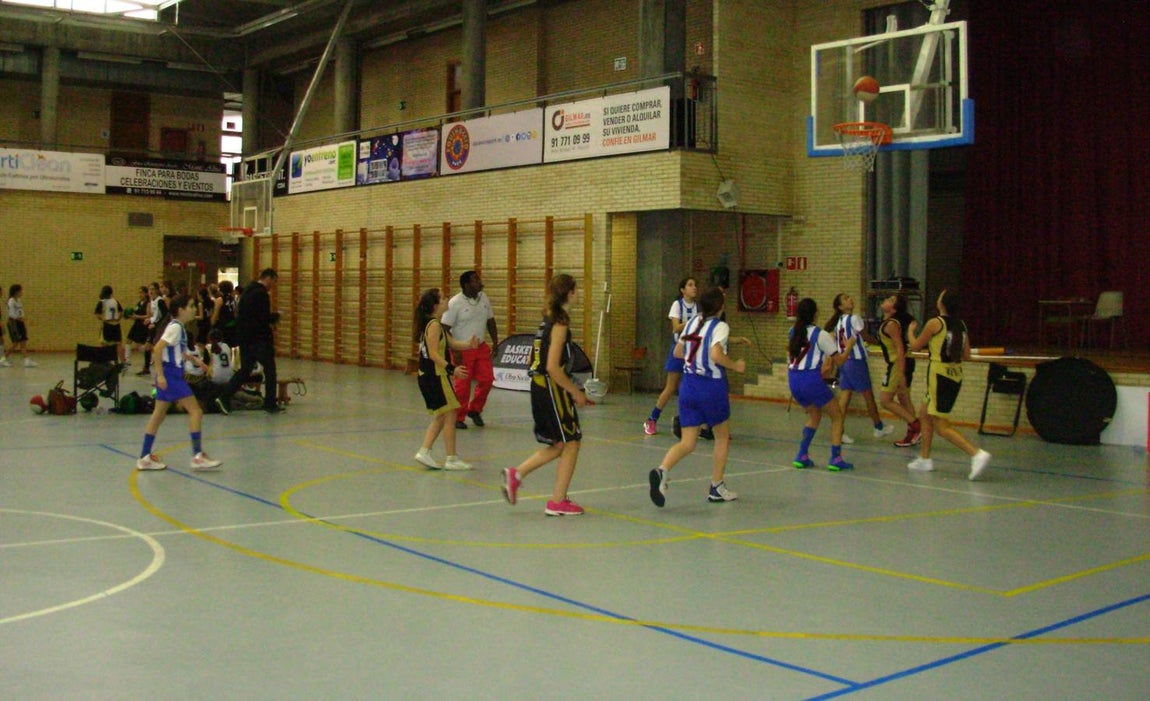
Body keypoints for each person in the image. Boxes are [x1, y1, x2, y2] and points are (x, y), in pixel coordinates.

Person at [648, 286, 745, 507]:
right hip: (711, 386)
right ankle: (716, 486)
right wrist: (735, 365)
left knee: (688, 441)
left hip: (688, 386)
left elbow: (678, 352)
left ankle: (662, 471)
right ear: (720, 306)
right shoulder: (720, 326)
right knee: (721, 436)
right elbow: (716, 354)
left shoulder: (692, 323)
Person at [500, 274, 588, 516]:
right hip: (551, 386)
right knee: (572, 442)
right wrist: (574, 391)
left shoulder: (547, 320)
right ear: (570, 293)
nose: (578, 293)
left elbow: (537, 360)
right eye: (576, 289)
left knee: (559, 443)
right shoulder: (560, 324)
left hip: (540, 387)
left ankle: (516, 474)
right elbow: (551, 366)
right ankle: (557, 501)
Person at [905, 289, 992, 480]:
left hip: (940, 375)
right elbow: (967, 355)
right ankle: (924, 459)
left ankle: (976, 454)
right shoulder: (961, 325)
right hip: (955, 374)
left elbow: (916, 346)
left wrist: (910, 332)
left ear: (942, 302)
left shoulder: (935, 323)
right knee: (924, 413)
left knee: (940, 424)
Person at [134, 294, 222, 472]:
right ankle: (197, 455)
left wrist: (194, 360)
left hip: (171, 374)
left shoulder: (178, 328)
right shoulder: (175, 328)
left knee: (158, 415)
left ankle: (144, 457)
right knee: (196, 411)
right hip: (171, 375)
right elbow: (158, 349)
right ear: (181, 310)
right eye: (190, 306)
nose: (194, 309)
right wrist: (160, 375)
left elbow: (172, 351)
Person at [413, 288, 479, 470]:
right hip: (434, 376)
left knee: (444, 415)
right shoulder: (433, 325)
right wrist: (453, 369)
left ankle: (425, 452)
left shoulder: (436, 324)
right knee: (450, 413)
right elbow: (433, 354)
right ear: (435, 305)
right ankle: (450, 458)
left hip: (432, 376)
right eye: (442, 298)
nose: (447, 299)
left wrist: (468, 345)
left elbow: (451, 343)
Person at [788, 297, 856, 471]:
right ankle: (835, 458)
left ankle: (801, 454)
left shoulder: (792, 331)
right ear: (815, 314)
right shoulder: (821, 334)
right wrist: (849, 346)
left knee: (814, 415)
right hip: (810, 379)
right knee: (837, 415)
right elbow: (839, 361)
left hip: (793, 379)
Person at [825, 293, 892, 444]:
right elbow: (866, 336)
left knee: (845, 398)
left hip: (845, 362)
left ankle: (839, 431)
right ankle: (878, 427)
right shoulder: (854, 318)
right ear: (841, 307)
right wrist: (882, 343)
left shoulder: (838, 322)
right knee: (868, 396)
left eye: (850, 297)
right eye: (846, 299)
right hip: (856, 361)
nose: (850, 299)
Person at [217, 269, 281, 414]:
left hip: (245, 338)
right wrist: (275, 317)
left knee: (245, 370)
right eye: (274, 281)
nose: (273, 285)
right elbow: (262, 318)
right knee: (270, 370)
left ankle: (224, 396)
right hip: (258, 339)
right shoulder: (261, 293)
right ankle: (270, 403)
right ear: (268, 278)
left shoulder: (247, 291)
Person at [441, 270, 498, 430]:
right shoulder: (454, 303)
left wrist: (495, 341)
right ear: (466, 285)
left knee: (487, 380)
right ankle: (458, 416)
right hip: (462, 348)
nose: (479, 282)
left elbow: (490, 320)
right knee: (463, 385)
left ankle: (475, 410)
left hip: (480, 347)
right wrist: (455, 349)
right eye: (475, 280)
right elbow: (444, 328)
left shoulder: (484, 298)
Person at [644, 276, 698, 436]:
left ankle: (694, 422)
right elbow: (675, 328)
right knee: (671, 387)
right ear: (682, 290)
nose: (694, 288)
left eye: (695, 285)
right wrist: (693, 322)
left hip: (692, 350)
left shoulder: (697, 307)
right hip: (678, 349)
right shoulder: (677, 305)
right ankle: (652, 418)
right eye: (690, 285)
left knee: (691, 388)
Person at [876, 293, 922, 447]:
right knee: (904, 398)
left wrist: (901, 373)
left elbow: (900, 348)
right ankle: (913, 433)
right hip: (900, 362)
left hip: (898, 363)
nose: (885, 299)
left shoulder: (892, 325)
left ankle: (915, 425)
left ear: (894, 309)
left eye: (890, 300)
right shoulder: (887, 323)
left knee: (885, 400)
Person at [6, 284, 36, 367]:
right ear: (16, 291)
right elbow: (11, 314)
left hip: (20, 322)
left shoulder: (18, 300)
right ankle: (4, 358)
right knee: (15, 343)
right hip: (14, 323)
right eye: (20, 291)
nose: (22, 292)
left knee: (23, 341)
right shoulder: (11, 301)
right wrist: (19, 319)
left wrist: (24, 318)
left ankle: (26, 360)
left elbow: (20, 311)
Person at [94, 285, 124, 364]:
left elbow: (97, 314)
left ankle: (105, 361)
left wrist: (103, 319)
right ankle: (123, 363)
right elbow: (121, 312)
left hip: (107, 324)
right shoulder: (115, 301)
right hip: (116, 325)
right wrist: (118, 318)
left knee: (104, 343)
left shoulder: (102, 302)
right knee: (118, 344)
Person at [125, 285, 151, 369]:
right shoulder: (139, 303)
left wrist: (137, 317)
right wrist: (129, 316)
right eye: (139, 292)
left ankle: (150, 357)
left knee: (141, 345)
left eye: (141, 292)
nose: (139, 294)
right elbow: (135, 313)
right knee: (128, 340)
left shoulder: (148, 303)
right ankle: (127, 360)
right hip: (136, 324)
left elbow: (148, 315)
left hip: (143, 326)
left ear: (146, 293)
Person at [211, 280, 237, 346]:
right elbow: (235, 312)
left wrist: (212, 322)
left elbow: (216, 314)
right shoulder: (233, 299)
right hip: (233, 325)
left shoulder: (220, 300)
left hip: (223, 325)